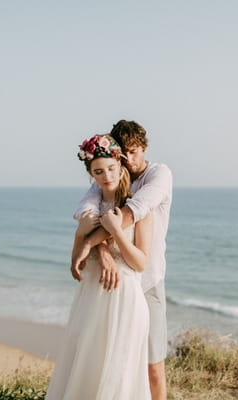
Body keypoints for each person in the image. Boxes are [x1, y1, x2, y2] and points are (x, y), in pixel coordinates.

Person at [46, 134, 152, 399]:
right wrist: (95, 246)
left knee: (120, 374)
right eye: (98, 172)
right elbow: (75, 262)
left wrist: (115, 232)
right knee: (86, 368)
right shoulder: (89, 213)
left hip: (125, 297)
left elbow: (140, 263)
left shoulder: (137, 208)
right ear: (91, 175)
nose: (107, 176)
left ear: (120, 165)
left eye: (111, 169)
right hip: (92, 297)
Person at [72, 120, 172, 400]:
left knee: (152, 364)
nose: (129, 159)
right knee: (116, 363)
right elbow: (86, 208)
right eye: (124, 153)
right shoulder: (112, 176)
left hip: (148, 278)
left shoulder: (158, 175)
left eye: (135, 151)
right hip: (113, 287)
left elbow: (129, 214)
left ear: (144, 148)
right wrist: (101, 250)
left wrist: (91, 242)